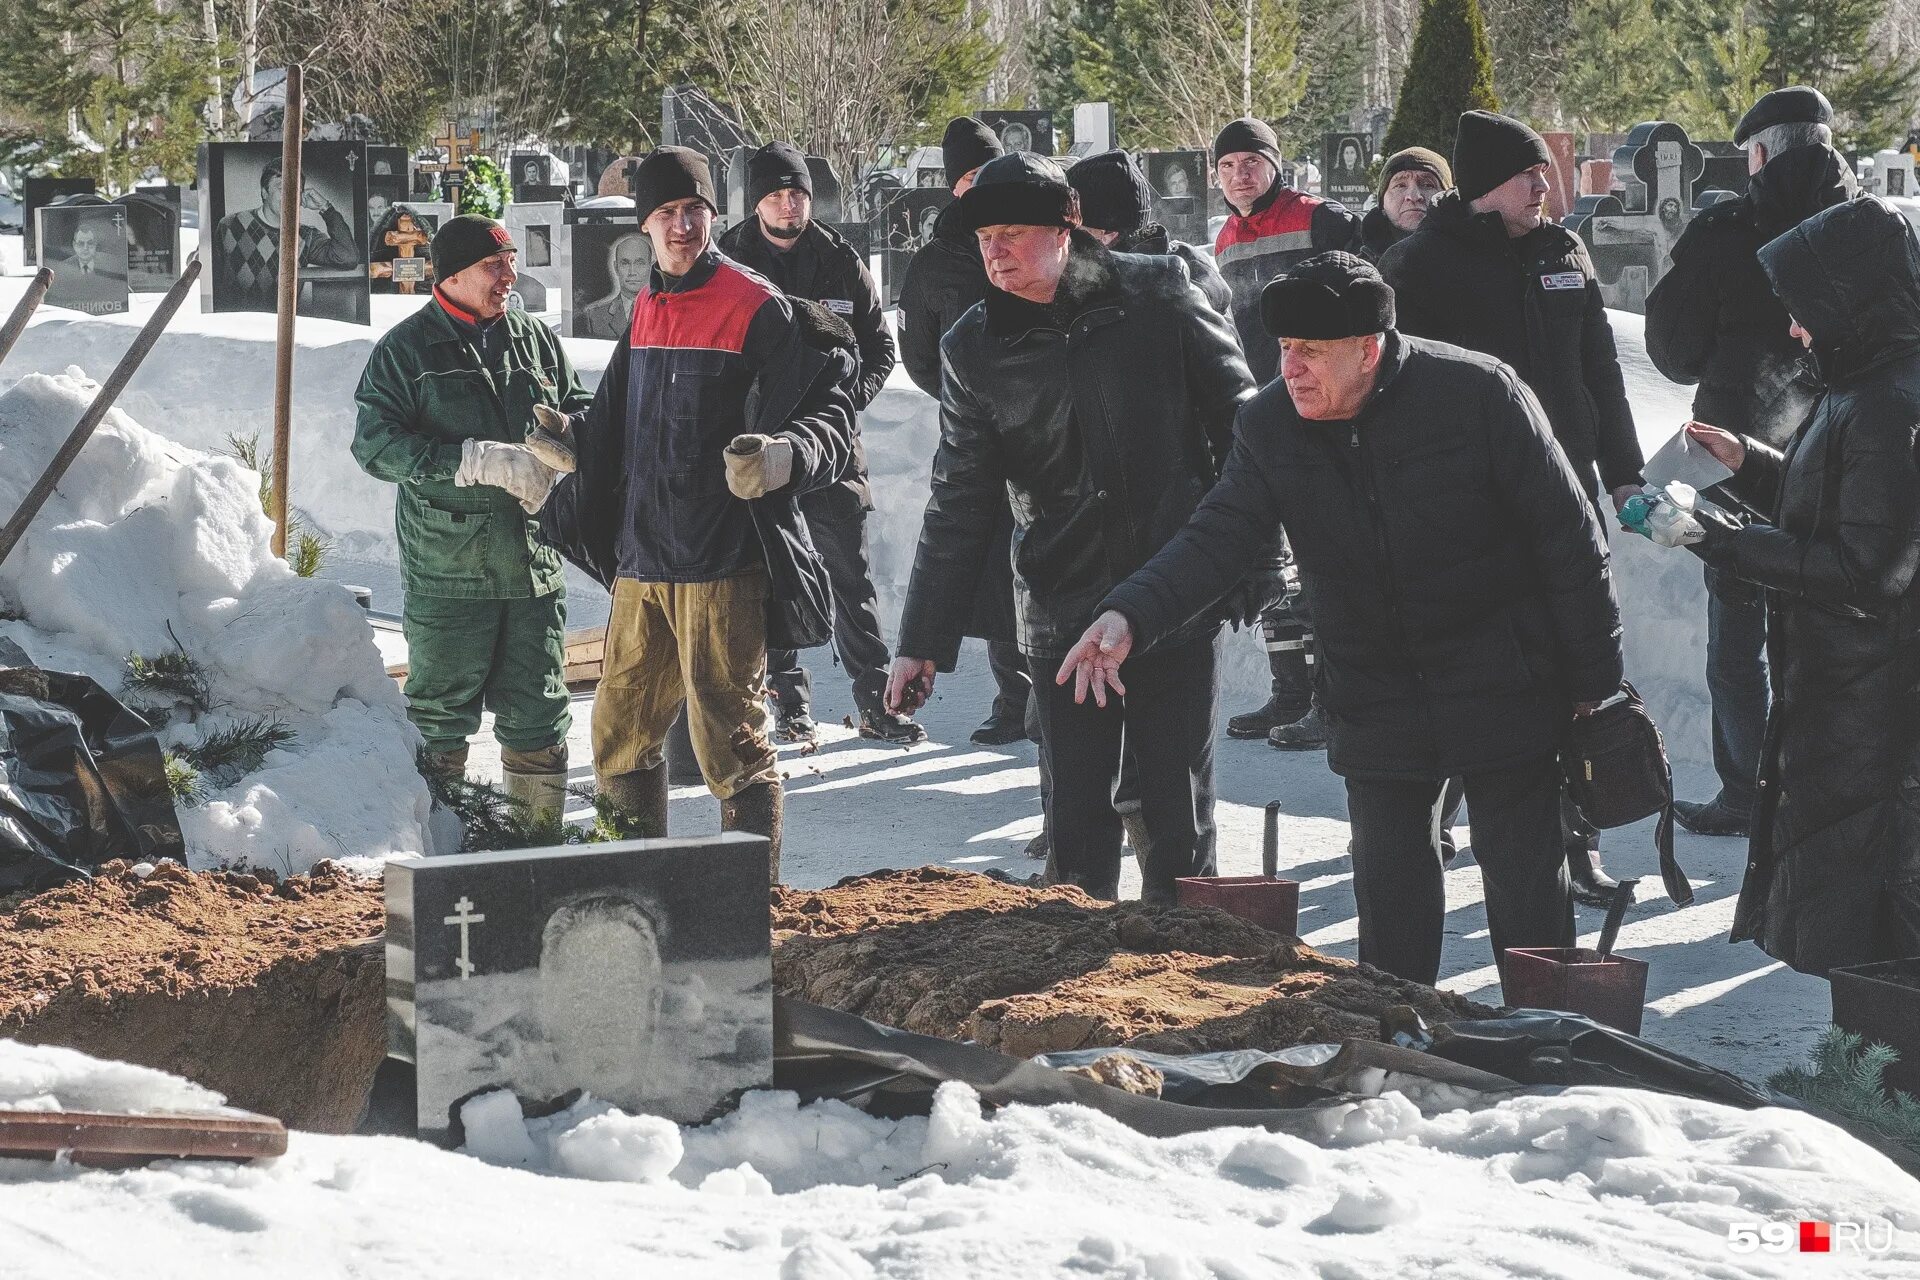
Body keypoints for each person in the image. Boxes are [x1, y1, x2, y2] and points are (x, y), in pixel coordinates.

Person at [1059, 253, 1623, 995]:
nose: (1289, 369)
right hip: (1373, 683)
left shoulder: (1479, 394)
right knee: (1390, 894)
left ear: (1370, 347)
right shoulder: (1269, 425)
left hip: (1501, 673)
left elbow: (1570, 540)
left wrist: (1593, 681)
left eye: (1310, 353)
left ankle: (1549, 1049)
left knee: (1524, 883)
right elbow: (1216, 536)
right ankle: (1394, 1045)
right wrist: (1128, 612)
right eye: (1285, 349)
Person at [885, 154, 1261, 903]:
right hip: (1063, 604)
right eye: (985, 237)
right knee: (1075, 818)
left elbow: (1245, 426)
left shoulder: (1157, 293)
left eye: (1013, 233)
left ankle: (1180, 972)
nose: (995, 251)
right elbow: (958, 497)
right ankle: (1074, 986)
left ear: (1065, 229)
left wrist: (1250, 560)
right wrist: (921, 641)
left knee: (1174, 814)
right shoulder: (974, 346)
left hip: (1170, 597)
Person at [537, 147, 856, 877]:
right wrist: (572, 441)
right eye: (667, 213)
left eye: (695, 211)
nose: (683, 225)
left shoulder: (755, 307)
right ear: (644, 223)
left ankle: (749, 908)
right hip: (643, 564)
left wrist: (781, 456)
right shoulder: (649, 303)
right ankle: (631, 889)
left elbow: (832, 417)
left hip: (722, 564)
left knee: (731, 745)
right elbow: (613, 416)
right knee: (619, 732)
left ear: (713, 214)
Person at [1379, 110, 1643, 904]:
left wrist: (1624, 472)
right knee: (1480, 672)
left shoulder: (1564, 253)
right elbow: (1400, 398)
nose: (1546, 186)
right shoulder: (1419, 265)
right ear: (1491, 182)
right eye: (1530, 175)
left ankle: (1577, 841)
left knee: (1577, 666)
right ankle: (1440, 818)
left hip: (1569, 494)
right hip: (1473, 511)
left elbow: (1601, 368)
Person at [1680, 196, 1920, 976]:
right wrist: (1746, 463)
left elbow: (1868, 571)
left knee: (1869, 928)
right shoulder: (1865, 383)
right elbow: (1846, 511)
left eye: (1803, 310)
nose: (1794, 329)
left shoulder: (1888, 404)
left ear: (1847, 301)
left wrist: (1720, 540)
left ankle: (1876, 1079)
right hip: (1851, 695)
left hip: (1875, 710)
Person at [1644, 86, 1856, 840]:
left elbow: (1671, 350)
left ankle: (1748, 792)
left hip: (1735, 456)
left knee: (1738, 637)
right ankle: (1830, 796)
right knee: (1843, 635)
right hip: (1851, 454)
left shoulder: (1729, 231)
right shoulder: (1873, 227)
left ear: (1758, 154)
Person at [352, 215, 591, 821]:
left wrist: (572, 435)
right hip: (449, 572)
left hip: (532, 565)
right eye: (495, 264)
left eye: (511, 261)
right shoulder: (406, 351)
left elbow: (580, 404)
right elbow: (374, 446)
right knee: (439, 718)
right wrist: (469, 460)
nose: (510, 276)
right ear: (453, 274)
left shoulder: (534, 339)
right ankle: (444, 855)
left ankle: (533, 847)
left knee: (539, 713)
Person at [717, 141, 924, 745]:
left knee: (849, 574)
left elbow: (881, 348)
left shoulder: (838, 258)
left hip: (831, 446)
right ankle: (788, 699)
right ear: (758, 202)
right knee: (771, 572)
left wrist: (846, 402)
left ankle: (877, 699)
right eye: (777, 194)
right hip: (760, 446)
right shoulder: (729, 259)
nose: (789, 204)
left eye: (798, 192)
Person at [1212, 116, 1363, 748]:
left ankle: (1333, 697)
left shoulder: (1320, 217)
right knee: (1276, 558)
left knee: (1329, 555)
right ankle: (1290, 691)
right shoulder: (1223, 237)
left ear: (1276, 165)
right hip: (1266, 409)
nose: (1240, 175)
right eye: (1227, 166)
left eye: (1252, 162)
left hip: (1327, 403)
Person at [898, 116, 1030, 746]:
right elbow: (920, 355)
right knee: (994, 567)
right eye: (971, 177)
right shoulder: (933, 265)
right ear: (954, 187)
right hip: (979, 435)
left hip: (1048, 428)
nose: (983, 186)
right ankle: (1013, 696)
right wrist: (968, 398)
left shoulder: (1031, 242)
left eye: (989, 171)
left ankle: (1048, 692)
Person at [1067, 149, 1229, 315]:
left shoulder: (1174, 290)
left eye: (1074, 229)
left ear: (1107, 235)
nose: (1066, 239)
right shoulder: (1097, 276)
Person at [214, 156, 358, 310]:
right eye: (281, 187)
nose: (289, 195)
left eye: (296, 189)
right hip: (234, 325)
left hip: (281, 329)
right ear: (264, 192)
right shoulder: (229, 225)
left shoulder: (306, 236)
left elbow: (348, 257)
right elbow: (205, 270)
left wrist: (326, 208)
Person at [1358, 147, 1451, 261]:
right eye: (1400, 185)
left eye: (1427, 185)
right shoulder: (1355, 271)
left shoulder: (1472, 262)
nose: (1413, 197)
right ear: (1382, 204)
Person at [575, 232, 652, 339]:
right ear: (616, 267)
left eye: (640, 263)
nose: (632, 272)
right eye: (625, 263)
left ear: (650, 266)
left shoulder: (668, 314)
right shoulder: (594, 316)